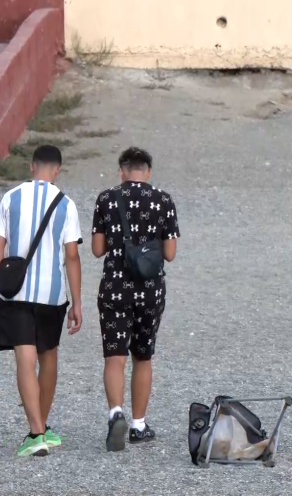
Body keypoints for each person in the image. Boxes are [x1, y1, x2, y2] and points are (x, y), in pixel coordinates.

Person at [0, 144, 83, 457]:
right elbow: (72, 256)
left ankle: (36, 431)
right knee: (49, 357)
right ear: (57, 170)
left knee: (25, 359)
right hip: (53, 295)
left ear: (31, 167)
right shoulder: (66, 204)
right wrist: (77, 303)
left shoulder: (10, 197)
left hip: (17, 293)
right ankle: (42, 426)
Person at [91, 147, 180, 452]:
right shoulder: (164, 200)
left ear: (122, 170)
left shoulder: (106, 198)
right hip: (150, 290)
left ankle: (116, 413)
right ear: (148, 171)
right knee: (143, 356)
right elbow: (170, 253)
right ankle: (138, 426)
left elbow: (97, 249)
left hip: (115, 287)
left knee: (115, 357)